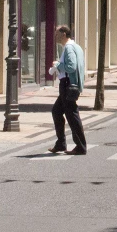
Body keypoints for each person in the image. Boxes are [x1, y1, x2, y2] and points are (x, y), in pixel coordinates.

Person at [48, 25, 87, 155]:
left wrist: (57, 65)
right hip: (69, 84)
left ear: (64, 34)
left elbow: (71, 66)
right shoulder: (75, 46)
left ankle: (80, 146)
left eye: (57, 33)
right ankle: (61, 144)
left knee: (72, 115)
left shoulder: (69, 48)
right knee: (57, 111)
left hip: (67, 84)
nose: (55, 36)